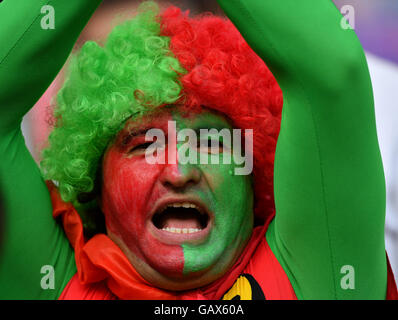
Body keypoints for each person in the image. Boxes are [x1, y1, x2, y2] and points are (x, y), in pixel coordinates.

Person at [0, 0, 396, 299]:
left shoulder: (310, 272)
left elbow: (332, 73)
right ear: (96, 184)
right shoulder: (54, 283)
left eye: (211, 143)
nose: (179, 171)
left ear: (251, 177)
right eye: (143, 146)